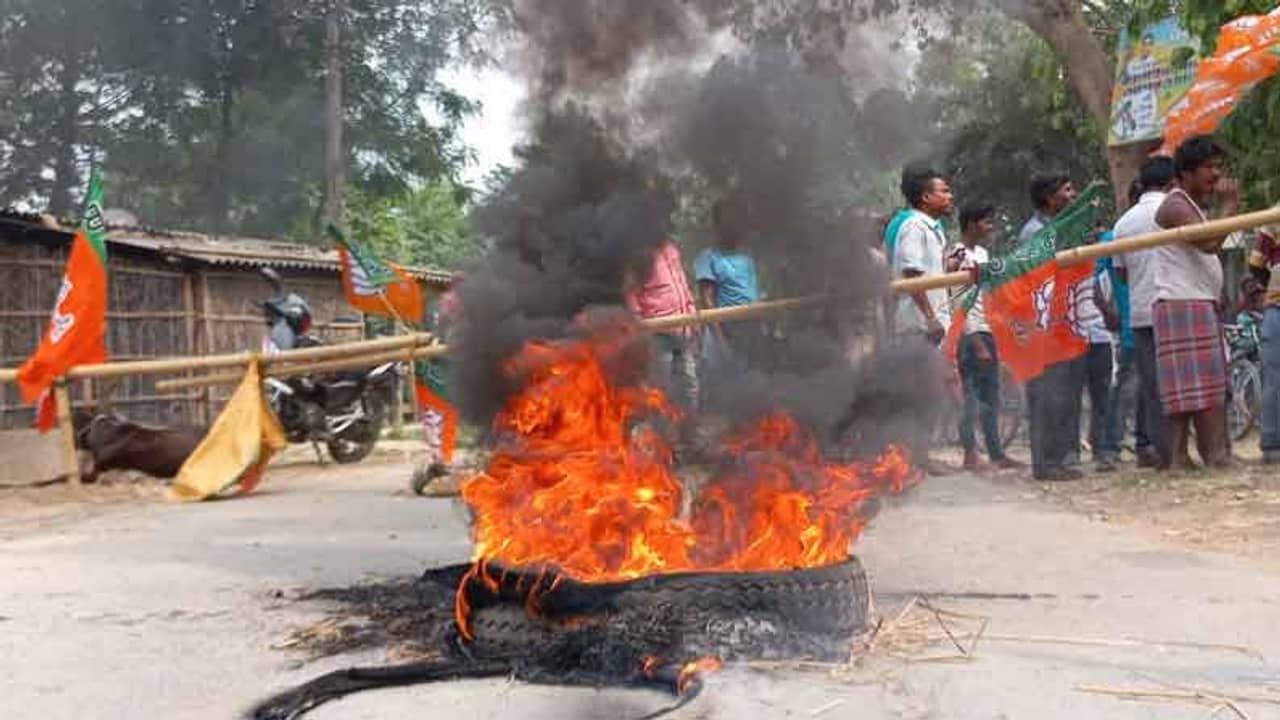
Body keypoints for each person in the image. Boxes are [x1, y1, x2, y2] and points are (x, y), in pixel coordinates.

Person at [1152, 136, 1239, 470]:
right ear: (1186, 172)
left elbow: (1209, 244)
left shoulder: (1192, 205)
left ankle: (1194, 456)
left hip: (1193, 302)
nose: (1216, 175)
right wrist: (1230, 207)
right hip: (1182, 304)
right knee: (1189, 389)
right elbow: (1207, 244)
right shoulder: (1175, 203)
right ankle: (1206, 456)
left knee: (1195, 387)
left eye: (1219, 167)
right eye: (1209, 167)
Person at [946, 204, 1022, 471]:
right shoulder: (958, 254)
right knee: (971, 396)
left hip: (986, 328)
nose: (990, 227)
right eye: (986, 222)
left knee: (991, 395)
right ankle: (970, 453)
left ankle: (995, 452)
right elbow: (957, 299)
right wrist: (974, 339)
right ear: (971, 224)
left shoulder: (983, 254)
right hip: (971, 332)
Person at [1019, 173, 1083, 482]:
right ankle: (1046, 463)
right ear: (1049, 197)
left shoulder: (1055, 231)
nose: (1073, 194)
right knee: (1046, 394)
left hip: (1056, 322)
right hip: (1040, 325)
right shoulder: (1034, 233)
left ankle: (1055, 459)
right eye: (1067, 189)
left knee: (1059, 392)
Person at [1114, 156, 1177, 468]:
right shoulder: (1177, 210)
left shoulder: (1123, 224)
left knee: (1151, 387)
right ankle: (1176, 451)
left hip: (1140, 311)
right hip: (1175, 306)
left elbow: (1122, 274)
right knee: (1177, 383)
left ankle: (1159, 450)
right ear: (1172, 182)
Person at [890, 166, 954, 474]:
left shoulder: (933, 229)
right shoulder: (914, 226)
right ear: (926, 197)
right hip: (918, 324)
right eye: (944, 191)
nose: (949, 196)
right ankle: (912, 458)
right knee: (917, 394)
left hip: (931, 323)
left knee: (927, 392)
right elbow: (912, 275)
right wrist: (929, 317)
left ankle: (919, 456)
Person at [626, 238, 700, 445]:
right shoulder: (640, 254)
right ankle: (666, 446)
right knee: (661, 392)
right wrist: (639, 322)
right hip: (657, 334)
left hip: (683, 330)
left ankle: (690, 439)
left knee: (689, 386)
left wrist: (693, 314)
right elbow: (631, 291)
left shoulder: (671, 248)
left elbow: (682, 285)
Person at [695, 199, 760, 370]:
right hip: (724, 333)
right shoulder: (708, 257)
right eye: (727, 223)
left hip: (749, 332)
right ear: (718, 227)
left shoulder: (746, 257)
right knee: (724, 388)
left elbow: (752, 293)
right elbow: (707, 303)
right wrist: (721, 344)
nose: (734, 228)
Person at [1247, 205, 1280, 464]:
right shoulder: (1272, 217)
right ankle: (1271, 443)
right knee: (1274, 379)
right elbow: (1256, 264)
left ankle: (1272, 444)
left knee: (1274, 379)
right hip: (1277, 307)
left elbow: (1257, 265)